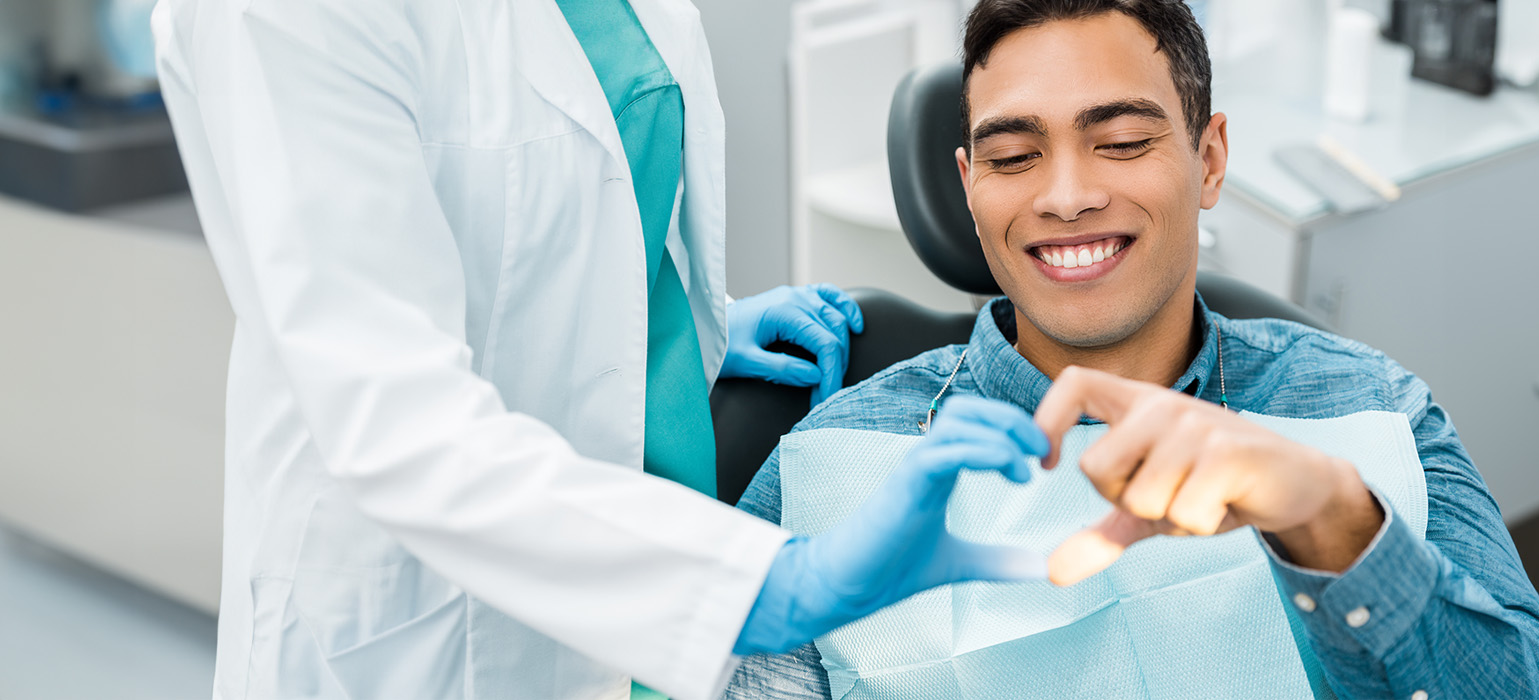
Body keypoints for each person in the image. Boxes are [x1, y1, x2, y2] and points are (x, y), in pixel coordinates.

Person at [151, 0, 1047, 698]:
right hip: (438, 618)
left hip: (652, 536)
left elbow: (596, 173)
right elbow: (392, 412)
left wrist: (672, 328)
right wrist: (775, 587)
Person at [727, 1, 1539, 698]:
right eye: (1015, 156)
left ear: (1208, 161)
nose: (1066, 197)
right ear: (969, 187)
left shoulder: (1367, 404)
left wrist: (1333, 522)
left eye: (1124, 142)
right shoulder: (829, 463)